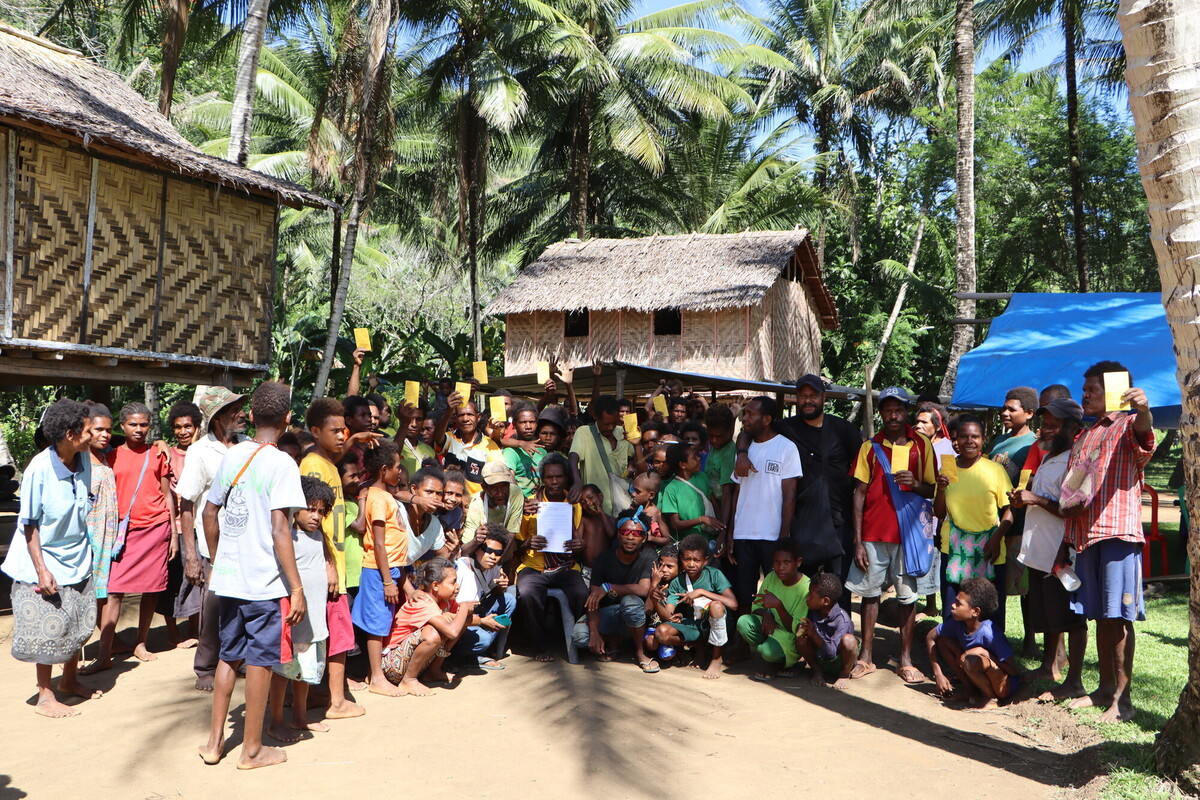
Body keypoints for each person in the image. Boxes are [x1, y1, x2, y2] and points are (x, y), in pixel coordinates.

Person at [198, 381, 307, 769]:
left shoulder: (232, 455)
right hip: (264, 583)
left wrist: (221, 558)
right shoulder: (282, 463)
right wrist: (296, 587)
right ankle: (252, 750)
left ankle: (214, 744)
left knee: (229, 656)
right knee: (260, 661)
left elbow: (209, 513)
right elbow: (281, 530)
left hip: (230, 580)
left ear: (252, 415)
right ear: (287, 419)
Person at [1062, 361, 1154, 723]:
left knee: (1118, 616)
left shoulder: (1129, 424)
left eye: (1092, 390)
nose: (1084, 395)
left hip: (1117, 531)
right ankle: (1103, 689)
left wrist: (1143, 409)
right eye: (1084, 390)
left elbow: (1145, 436)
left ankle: (1123, 700)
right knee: (1099, 614)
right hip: (1086, 536)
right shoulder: (1084, 435)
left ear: (1115, 390)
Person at [2, 398, 103, 717]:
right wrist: (42, 571)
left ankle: (69, 681)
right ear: (71, 434)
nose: (95, 434)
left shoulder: (84, 459)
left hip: (75, 555)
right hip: (42, 559)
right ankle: (45, 694)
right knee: (49, 626)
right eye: (89, 429)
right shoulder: (39, 470)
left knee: (76, 621)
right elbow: (29, 525)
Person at [735, 375, 862, 594]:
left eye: (813, 395)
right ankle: (803, 628)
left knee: (839, 589)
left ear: (824, 397)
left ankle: (841, 628)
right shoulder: (786, 428)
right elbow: (751, 430)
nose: (808, 401)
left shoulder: (844, 429)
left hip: (838, 520)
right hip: (803, 523)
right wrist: (742, 454)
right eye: (803, 396)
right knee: (804, 589)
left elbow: (861, 473)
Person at [846, 387, 936, 683]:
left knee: (907, 598)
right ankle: (866, 656)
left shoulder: (921, 444)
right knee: (869, 595)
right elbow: (858, 494)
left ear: (907, 411)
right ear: (881, 413)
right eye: (887, 410)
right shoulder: (869, 447)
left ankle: (906, 660)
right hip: (873, 533)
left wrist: (916, 484)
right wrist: (857, 541)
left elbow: (932, 490)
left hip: (909, 536)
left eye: (898, 409)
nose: (893, 415)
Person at [1010, 398, 1087, 700]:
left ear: (1073, 428)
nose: (1047, 429)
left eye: (1055, 425)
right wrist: (1024, 499)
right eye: (1045, 424)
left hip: (1061, 552)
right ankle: (1048, 666)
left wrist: (1035, 500)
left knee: (1071, 619)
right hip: (1040, 551)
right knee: (1050, 615)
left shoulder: (1076, 461)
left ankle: (1075, 681)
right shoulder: (1047, 456)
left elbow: (1074, 510)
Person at [173, 387, 249, 690]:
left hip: (246, 542)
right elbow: (187, 504)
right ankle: (205, 667)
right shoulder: (200, 451)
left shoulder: (247, 445)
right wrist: (191, 555)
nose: (242, 414)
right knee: (213, 608)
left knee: (243, 606)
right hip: (213, 548)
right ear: (218, 418)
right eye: (235, 410)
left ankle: (237, 661)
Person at [299, 397, 365, 720]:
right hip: (326, 564)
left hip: (333, 561)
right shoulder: (312, 465)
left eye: (345, 430)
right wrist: (329, 565)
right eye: (334, 430)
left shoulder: (327, 463)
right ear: (315, 431)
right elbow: (314, 521)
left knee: (331, 631)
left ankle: (320, 693)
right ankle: (336, 701)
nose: (341, 436)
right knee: (338, 633)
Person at [103, 402, 176, 664]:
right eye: (133, 424)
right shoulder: (109, 457)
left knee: (152, 590)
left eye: (144, 424)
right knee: (114, 591)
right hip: (123, 533)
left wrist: (174, 535)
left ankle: (141, 643)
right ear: (121, 426)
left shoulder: (158, 454)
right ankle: (104, 652)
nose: (139, 429)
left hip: (157, 529)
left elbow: (168, 495)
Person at [268, 477, 336, 742]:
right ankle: (276, 720)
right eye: (310, 509)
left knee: (305, 670)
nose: (316, 516)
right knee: (284, 671)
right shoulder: (288, 536)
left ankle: (299, 717)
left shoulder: (319, 536)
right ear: (296, 507)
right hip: (293, 618)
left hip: (315, 617)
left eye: (321, 511)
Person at [934, 414, 1014, 634]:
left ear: (983, 439)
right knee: (953, 610)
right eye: (964, 437)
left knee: (991, 611)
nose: (969, 441)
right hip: (953, 549)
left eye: (975, 436)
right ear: (955, 441)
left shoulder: (995, 470)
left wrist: (997, 539)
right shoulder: (947, 470)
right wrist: (940, 488)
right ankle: (954, 658)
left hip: (990, 548)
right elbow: (939, 512)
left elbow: (1009, 510)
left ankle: (991, 659)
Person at [726, 397, 802, 615]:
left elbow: (790, 495)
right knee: (744, 593)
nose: (744, 417)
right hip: (743, 534)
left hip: (772, 535)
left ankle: (771, 641)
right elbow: (738, 491)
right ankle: (744, 643)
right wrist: (731, 531)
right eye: (745, 413)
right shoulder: (744, 449)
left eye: (750, 413)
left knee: (772, 594)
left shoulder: (786, 448)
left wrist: (784, 537)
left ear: (767, 419)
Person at [515, 453, 586, 662]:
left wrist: (579, 545)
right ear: (542, 479)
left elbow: (579, 539)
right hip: (534, 565)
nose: (554, 482)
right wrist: (529, 543)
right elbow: (517, 542)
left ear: (566, 478)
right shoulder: (531, 505)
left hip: (566, 565)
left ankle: (578, 638)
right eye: (549, 477)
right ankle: (541, 645)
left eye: (559, 477)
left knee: (581, 593)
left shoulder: (574, 503)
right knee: (527, 592)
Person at [351, 440, 409, 697]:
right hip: (378, 571)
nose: (400, 472)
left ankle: (375, 674)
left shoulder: (384, 496)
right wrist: (387, 580)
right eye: (397, 467)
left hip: (389, 570)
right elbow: (377, 542)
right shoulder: (378, 499)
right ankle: (376, 677)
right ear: (384, 469)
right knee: (377, 623)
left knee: (383, 620)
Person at [573, 509, 657, 672]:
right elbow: (593, 600)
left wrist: (609, 587)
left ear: (644, 537)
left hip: (634, 615)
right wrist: (594, 632)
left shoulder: (649, 555)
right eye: (625, 531)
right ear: (618, 534)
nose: (630, 537)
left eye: (637, 533)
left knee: (631, 602)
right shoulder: (604, 559)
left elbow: (643, 588)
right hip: (608, 614)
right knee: (580, 637)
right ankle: (615, 640)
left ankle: (640, 651)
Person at [647, 533, 737, 679]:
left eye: (697, 560)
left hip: (717, 623)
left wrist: (702, 592)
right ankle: (698, 645)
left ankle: (716, 658)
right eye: (686, 559)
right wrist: (655, 599)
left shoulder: (714, 575)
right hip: (694, 624)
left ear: (705, 561)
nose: (691, 564)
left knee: (716, 606)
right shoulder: (678, 582)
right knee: (661, 633)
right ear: (681, 559)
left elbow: (733, 604)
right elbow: (667, 616)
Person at [382, 558, 472, 695]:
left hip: (413, 662)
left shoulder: (445, 600)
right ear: (435, 585)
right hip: (392, 664)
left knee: (460, 623)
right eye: (453, 582)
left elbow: (461, 622)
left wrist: (484, 620)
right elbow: (453, 632)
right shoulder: (422, 601)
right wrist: (465, 607)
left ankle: (432, 672)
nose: (457, 586)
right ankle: (408, 680)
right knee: (433, 632)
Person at [927, 577, 1020, 710]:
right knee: (943, 642)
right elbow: (930, 637)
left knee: (973, 660)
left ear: (975, 611)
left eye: (959, 604)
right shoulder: (958, 624)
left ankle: (990, 698)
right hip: (976, 675)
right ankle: (970, 692)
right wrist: (938, 674)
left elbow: (1013, 670)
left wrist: (985, 653)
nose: (953, 605)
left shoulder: (990, 633)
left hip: (1003, 686)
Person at [735, 539, 810, 682]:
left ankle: (784, 661)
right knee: (743, 622)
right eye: (776, 562)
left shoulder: (806, 588)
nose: (781, 567)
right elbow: (756, 608)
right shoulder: (771, 577)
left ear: (798, 562)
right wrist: (767, 614)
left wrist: (779, 606)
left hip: (789, 637)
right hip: (771, 629)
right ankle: (774, 658)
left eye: (786, 562)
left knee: (767, 651)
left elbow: (797, 629)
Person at [80, 406, 120, 671]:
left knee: (105, 595)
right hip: (89, 540)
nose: (105, 435)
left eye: (108, 430)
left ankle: (108, 647)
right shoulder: (79, 463)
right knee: (87, 596)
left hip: (109, 539)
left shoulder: (104, 459)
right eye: (99, 430)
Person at [162, 401, 203, 648]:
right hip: (174, 526)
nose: (183, 431)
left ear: (196, 427)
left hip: (199, 525)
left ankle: (194, 629)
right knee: (172, 579)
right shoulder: (167, 455)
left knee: (197, 578)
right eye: (178, 427)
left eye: (188, 426)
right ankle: (172, 632)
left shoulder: (206, 451)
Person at [452, 524, 516, 670]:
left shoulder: (494, 568)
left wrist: (500, 587)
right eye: (488, 551)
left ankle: (478, 653)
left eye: (498, 553)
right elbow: (453, 614)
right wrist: (481, 621)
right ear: (476, 550)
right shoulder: (461, 568)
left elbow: (494, 595)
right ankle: (457, 656)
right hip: (458, 622)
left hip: (475, 615)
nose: (493, 557)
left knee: (509, 598)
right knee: (484, 639)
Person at [569, 395, 632, 515]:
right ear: (595, 417)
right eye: (606, 424)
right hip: (595, 509)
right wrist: (577, 482)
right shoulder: (584, 432)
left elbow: (634, 457)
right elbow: (573, 456)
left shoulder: (623, 432)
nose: (610, 427)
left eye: (614, 423)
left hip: (622, 506)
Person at [795, 572, 857, 689]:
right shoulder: (813, 611)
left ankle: (844, 675)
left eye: (811, 595)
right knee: (801, 639)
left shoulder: (842, 619)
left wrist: (813, 633)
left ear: (826, 601)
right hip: (821, 658)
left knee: (849, 641)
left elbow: (831, 653)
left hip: (840, 660)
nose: (807, 597)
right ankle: (817, 671)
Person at [433, 395, 503, 497]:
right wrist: (448, 411)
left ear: (478, 417)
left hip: (476, 505)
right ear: (456, 418)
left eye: (470, 414)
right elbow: (437, 438)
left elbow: (498, 476)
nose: (465, 419)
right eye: (461, 415)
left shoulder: (490, 446)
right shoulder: (450, 438)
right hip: (450, 502)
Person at [659, 443, 723, 545]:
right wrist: (701, 519)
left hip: (711, 541)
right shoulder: (671, 489)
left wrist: (722, 530)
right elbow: (675, 524)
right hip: (690, 544)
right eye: (694, 457)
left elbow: (713, 503)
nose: (699, 459)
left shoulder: (702, 477)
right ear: (683, 465)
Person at [462, 462, 523, 544]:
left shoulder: (515, 493)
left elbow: (511, 535)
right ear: (484, 487)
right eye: (494, 488)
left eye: (504, 486)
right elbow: (466, 545)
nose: (500, 494)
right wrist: (476, 540)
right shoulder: (476, 504)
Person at [702, 405, 738, 531]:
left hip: (725, 517)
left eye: (719, 436)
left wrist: (724, 531)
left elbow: (728, 495)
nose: (714, 440)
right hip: (714, 511)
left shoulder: (729, 453)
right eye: (710, 436)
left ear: (730, 431)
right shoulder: (715, 448)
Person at [503, 404, 546, 497]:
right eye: (523, 422)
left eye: (532, 422)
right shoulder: (510, 452)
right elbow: (510, 480)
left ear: (537, 424)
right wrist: (522, 501)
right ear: (514, 425)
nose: (528, 426)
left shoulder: (542, 451)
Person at [578, 484, 614, 567]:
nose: (588, 503)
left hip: (605, 569)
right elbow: (578, 540)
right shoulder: (584, 521)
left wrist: (601, 513)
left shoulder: (610, 519)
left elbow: (611, 534)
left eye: (590, 498)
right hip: (587, 568)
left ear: (600, 497)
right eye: (583, 502)